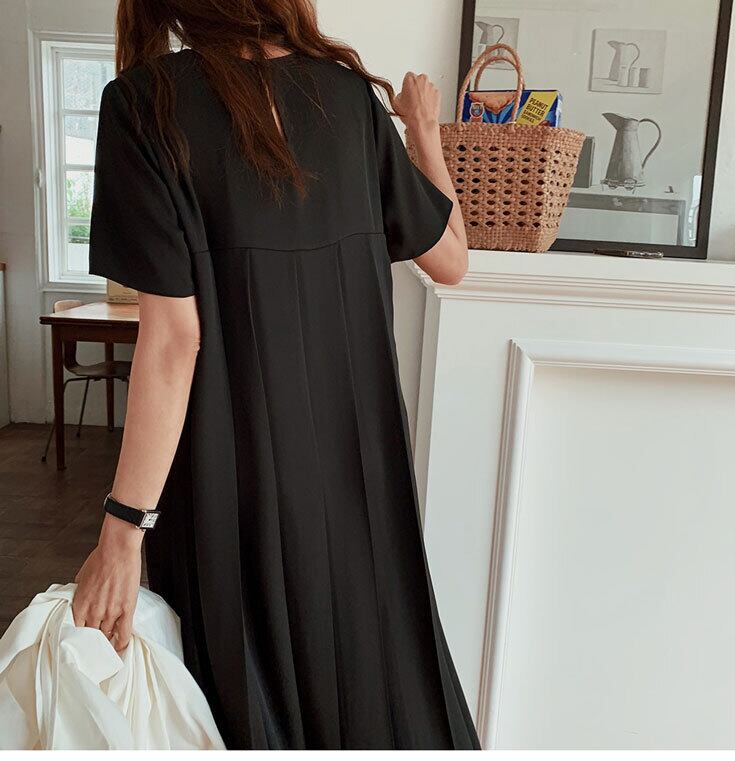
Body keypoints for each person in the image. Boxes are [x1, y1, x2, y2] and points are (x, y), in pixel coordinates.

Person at [72, 0, 478, 750]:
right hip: (355, 474)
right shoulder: (350, 98)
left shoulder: (143, 103)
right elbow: (452, 260)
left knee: (236, 704)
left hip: (227, 478)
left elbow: (175, 340)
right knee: (370, 688)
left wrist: (123, 531)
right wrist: (424, 129)